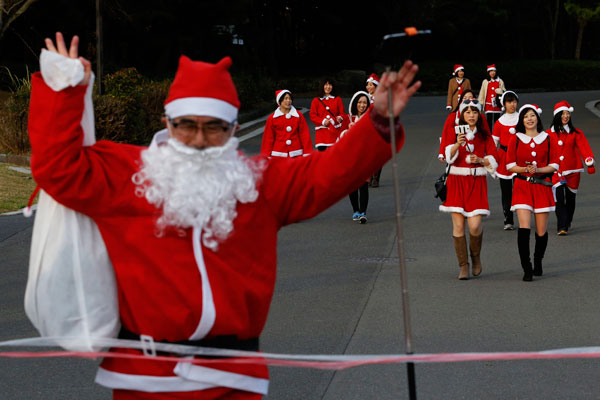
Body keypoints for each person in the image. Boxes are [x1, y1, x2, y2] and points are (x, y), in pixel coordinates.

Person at [28, 32, 421, 399]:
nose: (199, 140)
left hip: (233, 381)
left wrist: (378, 121)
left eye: (214, 128)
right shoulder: (128, 176)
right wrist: (64, 88)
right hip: (142, 380)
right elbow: (58, 167)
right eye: (187, 126)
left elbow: (327, 174)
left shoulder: (256, 185)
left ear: (233, 128)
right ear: (167, 122)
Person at [439, 99, 498, 280]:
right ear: (462, 115)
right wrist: (457, 143)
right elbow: (447, 156)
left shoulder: (485, 136)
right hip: (456, 181)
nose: (471, 115)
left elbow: (494, 160)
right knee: (458, 225)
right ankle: (463, 266)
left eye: (474, 112)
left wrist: (480, 160)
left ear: (479, 115)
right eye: (467, 112)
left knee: (474, 226)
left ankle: (476, 257)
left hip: (476, 182)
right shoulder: (453, 132)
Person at [506, 104, 559, 281]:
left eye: (532, 115)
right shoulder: (516, 138)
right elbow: (509, 165)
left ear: (537, 118)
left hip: (542, 186)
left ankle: (538, 261)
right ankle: (526, 267)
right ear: (521, 120)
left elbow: (555, 164)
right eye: (526, 116)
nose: (529, 119)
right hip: (522, 186)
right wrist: (524, 168)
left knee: (541, 231)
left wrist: (540, 169)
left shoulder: (548, 138)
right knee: (524, 227)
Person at [547, 101, 596, 235]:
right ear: (557, 115)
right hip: (556, 171)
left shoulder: (576, 133)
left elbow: (584, 148)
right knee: (558, 197)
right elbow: (543, 151)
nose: (566, 116)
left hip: (573, 170)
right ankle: (561, 226)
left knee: (571, 199)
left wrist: (589, 162)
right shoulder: (548, 134)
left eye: (568, 113)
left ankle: (567, 220)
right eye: (563, 113)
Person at [340, 91, 371, 223]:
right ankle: (356, 211)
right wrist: (348, 130)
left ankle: (363, 212)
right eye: (359, 102)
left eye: (364, 102)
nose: (362, 105)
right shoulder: (348, 118)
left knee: (363, 184)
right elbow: (340, 136)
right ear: (354, 103)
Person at [438, 89, 492, 163]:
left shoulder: (480, 116)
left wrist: (489, 156)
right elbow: (445, 134)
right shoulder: (453, 116)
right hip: (456, 151)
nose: (468, 100)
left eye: (470, 98)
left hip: (476, 153)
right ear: (461, 100)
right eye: (465, 98)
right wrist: (442, 153)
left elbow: (488, 135)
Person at [492, 90, 519, 230]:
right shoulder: (499, 122)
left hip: (520, 158)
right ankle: (508, 219)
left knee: (520, 189)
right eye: (509, 102)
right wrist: (492, 162)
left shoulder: (522, 118)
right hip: (504, 158)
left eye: (514, 101)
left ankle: (523, 215)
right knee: (506, 191)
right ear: (504, 104)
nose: (512, 104)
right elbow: (493, 143)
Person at [260, 89, 313, 158]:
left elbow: (305, 136)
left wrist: (307, 153)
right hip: (278, 155)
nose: (288, 101)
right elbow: (268, 139)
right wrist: (266, 156)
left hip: (296, 154)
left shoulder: (299, 116)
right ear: (280, 101)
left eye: (290, 99)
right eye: (285, 98)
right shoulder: (272, 118)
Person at [309, 78, 346, 151]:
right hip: (321, 133)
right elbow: (312, 116)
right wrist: (323, 121)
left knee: (335, 155)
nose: (328, 87)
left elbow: (342, 113)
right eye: (326, 84)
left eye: (330, 84)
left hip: (334, 132)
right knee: (322, 156)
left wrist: (340, 118)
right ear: (322, 86)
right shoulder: (316, 100)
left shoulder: (337, 99)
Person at [366, 73, 383, 186]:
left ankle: (376, 178)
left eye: (371, 85)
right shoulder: (364, 97)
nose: (368, 87)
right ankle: (369, 176)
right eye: (367, 85)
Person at [477, 64, 505, 129]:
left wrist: (500, 90)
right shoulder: (485, 81)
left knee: (497, 120)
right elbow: (482, 92)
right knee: (488, 120)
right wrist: (480, 101)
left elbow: (504, 90)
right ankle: (489, 134)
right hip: (488, 104)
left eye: (494, 71)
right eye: (491, 71)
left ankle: (496, 134)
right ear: (488, 73)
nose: (492, 73)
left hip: (497, 104)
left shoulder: (500, 81)